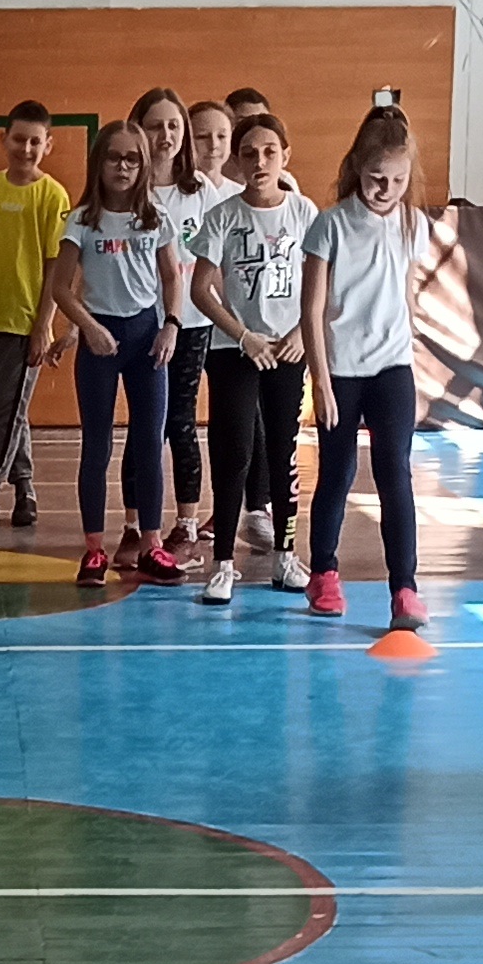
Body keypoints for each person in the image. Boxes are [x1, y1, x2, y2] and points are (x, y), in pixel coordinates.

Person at [300, 110, 439, 631]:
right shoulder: (330, 225)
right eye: (377, 178)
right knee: (336, 474)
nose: (386, 190)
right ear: (357, 167)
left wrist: (414, 360)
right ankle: (323, 572)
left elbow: (405, 293)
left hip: (392, 367)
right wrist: (321, 380)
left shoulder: (412, 224)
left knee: (394, 475)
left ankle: (405, 589)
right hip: (342, 370)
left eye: (398, 181)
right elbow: (312, 310)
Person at [187, 111, 316, 607]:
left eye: (269, 152)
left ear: (286, 156)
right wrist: (243, 337)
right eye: (249, 154)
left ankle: (286, 554)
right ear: (237, 163)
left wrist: (301, 333)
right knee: (234, 450)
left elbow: (323, 284)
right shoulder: (224, 216)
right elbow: (201, 289)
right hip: (235, 352)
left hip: (287, 350)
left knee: (283, 452)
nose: (260, 162)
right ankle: (223, 563)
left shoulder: (305, 213)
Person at [50, 121, 185, 584]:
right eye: (114, 157)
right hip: (101, 341)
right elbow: (60, 287)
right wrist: (88, 327)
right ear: (99, 163)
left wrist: (171, 325)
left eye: (132, 159)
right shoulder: (82, 220)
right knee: (97, 445)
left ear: (144, 165)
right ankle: (94, 549)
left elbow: (172, 277)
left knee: (149, 441)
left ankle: (151, 544)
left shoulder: (155, 217)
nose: (123, 167)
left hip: (146, 338)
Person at [0, 101, 73, 527]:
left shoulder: (53, 195)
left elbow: (55, 266)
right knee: (12, 411)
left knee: (7, 414)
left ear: (48, 145)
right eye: (18, 139)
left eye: (34, 141)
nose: (25, 149)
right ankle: (25, 489)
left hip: (25, 322)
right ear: (3, 139)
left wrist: (43, 325)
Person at [154, 97, 244, 566]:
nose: (166, 136)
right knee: (148, 426)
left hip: (192, 322)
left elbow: (219, 262)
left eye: (174, 126)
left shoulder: (202, 191)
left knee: (182, 420)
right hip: (144, 323)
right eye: (156, 126)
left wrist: (240, 320)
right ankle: (137, 526)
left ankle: (188, 522)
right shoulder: (134, 189)